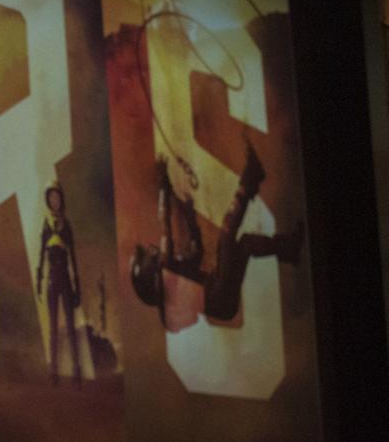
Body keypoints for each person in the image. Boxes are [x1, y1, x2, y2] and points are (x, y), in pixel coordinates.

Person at [129, 142, 304, 332]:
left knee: (245, 243)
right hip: (220, 294)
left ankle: (289, 248)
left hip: (222, 302)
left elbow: (197, 252)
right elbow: (165, 226)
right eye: (147, 258)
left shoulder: (174, 284)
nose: (151, 253)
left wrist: (190, 219)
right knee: (227, 234)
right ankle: (251, 177)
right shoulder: (168, 273)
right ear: (151, 274)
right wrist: (164, 183)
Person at [35, 181, 82, 386]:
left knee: (71, 327)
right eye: (52, 197)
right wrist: (39, 279)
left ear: (62, 199)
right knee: (53, 328)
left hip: (65, 279)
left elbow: (73, 256)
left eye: (57, 197)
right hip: (52, 280)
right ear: (48, 200)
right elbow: (41, 254)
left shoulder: (67, 225)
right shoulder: (46, 224)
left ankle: (76, 372)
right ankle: (53, 372)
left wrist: (77, 285)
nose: (55, 200)